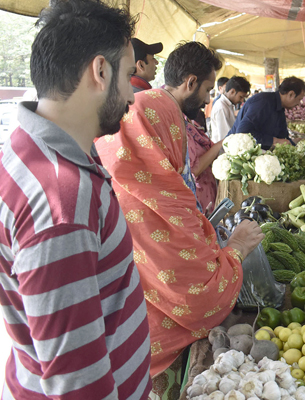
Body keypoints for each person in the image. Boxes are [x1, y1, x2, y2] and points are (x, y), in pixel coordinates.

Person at [0, 0, 152, 398]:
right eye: (128, 76)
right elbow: (77, 385)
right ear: (100, 71)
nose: (133, 98)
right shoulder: (62, 203)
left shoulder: (23, 149)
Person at [95, 42, 264, 397]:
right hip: (155, 351)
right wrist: (236, 249)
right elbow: (199, 295)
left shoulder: (110, 186)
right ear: (166, 136)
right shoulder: (165, 204)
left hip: (119, 343)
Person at [228, 76, 305, 150]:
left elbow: (282, 137)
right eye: (299, 99)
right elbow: (242, 132)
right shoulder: (263, 102)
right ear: (291, 94)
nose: (299, 104)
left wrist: (293, 143)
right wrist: (274, 141)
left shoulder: (280, 108)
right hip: (236, 150)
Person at [211, 76, 251, 143]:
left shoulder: (229, 105)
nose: (242, 100)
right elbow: (225, 137)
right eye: (241, 97)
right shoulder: (221, 107)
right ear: (232, 91)